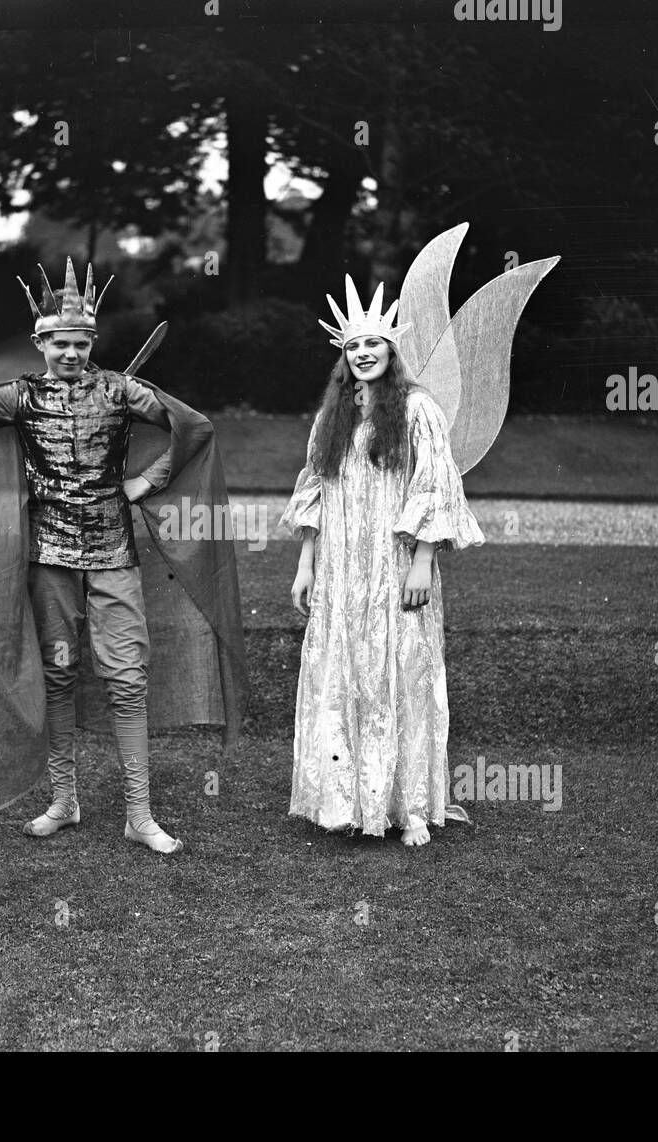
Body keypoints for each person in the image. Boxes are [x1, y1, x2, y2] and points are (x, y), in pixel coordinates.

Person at [0, 259, 232, 854]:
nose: (70, 353)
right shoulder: (22, 395)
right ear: (40, 342)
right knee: (59, 673)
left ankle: (139, 814)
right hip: (48, 552)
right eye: (59, 344)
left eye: (80, 344)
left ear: (91, 342)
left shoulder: (123, 390)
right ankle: (64, 801)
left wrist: (145, 483)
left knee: (127, 678)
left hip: (112, 548)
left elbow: (193, 426)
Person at [281, 276, 484, 846]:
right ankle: (345, 800)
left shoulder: (418, 409)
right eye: (353, 346)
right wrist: (306, 565)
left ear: (392, 351)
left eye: (374, 343)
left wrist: (422, 560)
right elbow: (316, 491)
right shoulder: (333, 415)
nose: (363, 352)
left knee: (403, 671)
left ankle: (411, 807)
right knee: (344, 670)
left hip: (395, 565)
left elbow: (434, 487)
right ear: (343, 357)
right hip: (343, 570)